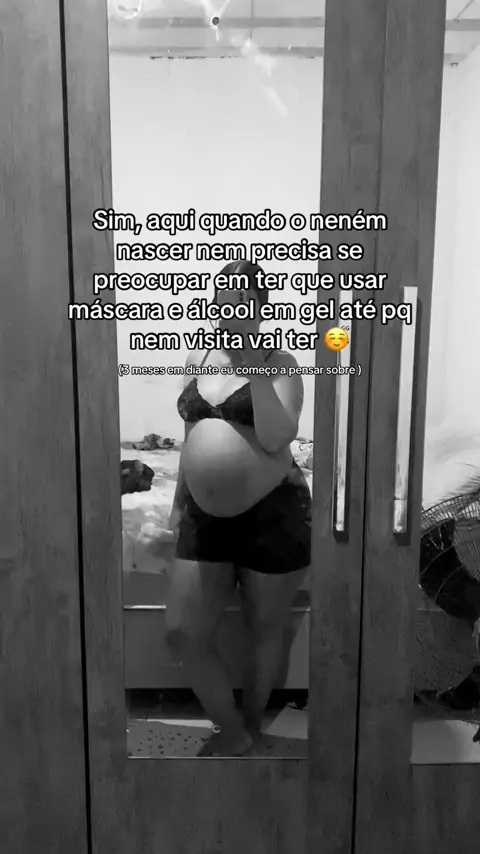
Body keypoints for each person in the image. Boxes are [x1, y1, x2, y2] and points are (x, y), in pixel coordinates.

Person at [165, 260, 311, 756]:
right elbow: (190, 436)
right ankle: (231, 728)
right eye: (223, 300)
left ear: (261, 307)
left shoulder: (282, 364)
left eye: (243, 301)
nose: (231, 310)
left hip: (274, 515)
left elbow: (275, 437)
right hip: (204, 518)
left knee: (264, 628)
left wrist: (252, 358)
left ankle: (245, 731)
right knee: (181, 634)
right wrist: (178, 504)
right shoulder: (198, 356)